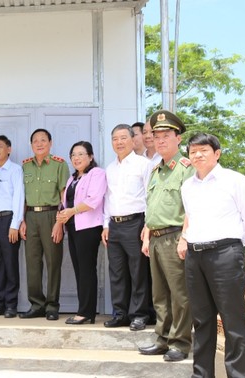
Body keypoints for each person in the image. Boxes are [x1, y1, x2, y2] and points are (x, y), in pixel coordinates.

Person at [180, 133, 245, 377]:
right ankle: (202, 373)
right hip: (195, 256)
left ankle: (238, 374)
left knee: (233, 319)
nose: (198, 155)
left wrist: (232, 247)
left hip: (225, 254)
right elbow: (190, 219)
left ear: (217, 153)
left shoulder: (235, 180)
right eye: (193, 151)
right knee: (202, 320)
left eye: (203, 150)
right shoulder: (187, 186)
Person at [139, 110, 195, 362]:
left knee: (179, 294)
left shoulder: (186, 168)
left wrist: (185, 237)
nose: (160, 140)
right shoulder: (155, 171)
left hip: (175, 237)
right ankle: (162, 339)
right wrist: (146, 235)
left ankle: (180, 343)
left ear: (178, 139)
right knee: (159, 294)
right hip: (156, 238)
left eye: (166, 136)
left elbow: (192, 207)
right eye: (156, 136)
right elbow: (152, 206)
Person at [101, 125, 152, 331]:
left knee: (138, 271)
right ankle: (120, 313)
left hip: (136, 223)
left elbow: (150, 197)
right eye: (115, 139)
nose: (119, 142)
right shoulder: (109, 168)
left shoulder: (144, 164)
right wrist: (106, 225)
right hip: (114, 225)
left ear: (133, 140)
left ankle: (140, 314)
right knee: (117, 272)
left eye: (123, 138)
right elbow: (107, 199)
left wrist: (147, 226)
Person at [19, 128, 69, 321]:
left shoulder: (59, 165)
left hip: (51, 216)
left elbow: (64, 196)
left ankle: (52, 305)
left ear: (50, 143)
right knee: (32, 263)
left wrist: (60, 222)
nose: (39, 144)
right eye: (35, 141)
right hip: (31, 216)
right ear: (31, 145)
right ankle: (36, 304)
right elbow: (22, 197)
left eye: (43, 140)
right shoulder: (25, 167)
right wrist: (22, 220)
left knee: (53, 262)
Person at [56, 141, 105, 325]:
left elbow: (93, 200)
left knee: (86, 269)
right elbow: (66, 202)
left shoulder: (97, 174)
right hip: (74, 228)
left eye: (80, 154)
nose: (76, 158)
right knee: (79, 269)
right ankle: (85, 310)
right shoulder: (72, 178)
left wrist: (70, 212)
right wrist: (62, 214)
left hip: (89, 228)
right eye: (73, 155)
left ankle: (86, 312)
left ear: (90, 157)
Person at [0, 135, 24, 318]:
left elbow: (18, 198)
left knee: (10, 263)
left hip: (9, 220)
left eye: (0, 146)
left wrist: (15, 224)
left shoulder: (15, 170)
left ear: (9, 149)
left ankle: (11, 305)